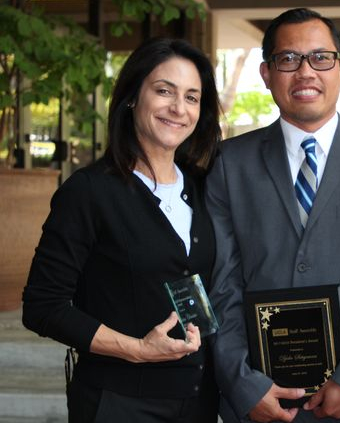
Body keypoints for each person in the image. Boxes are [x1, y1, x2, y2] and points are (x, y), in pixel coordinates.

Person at [206, 7, 340, 423]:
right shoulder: (230, 163)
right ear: (266, 73)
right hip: (257, 399)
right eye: (288, 59)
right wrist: (243, 384)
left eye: (320, 58)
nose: (305, 72)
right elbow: (221, 284)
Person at [22, 37, 221, 422]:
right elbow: (43, 306)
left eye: (192, 97)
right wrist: (136, 348)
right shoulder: (89, 191)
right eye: (164, 91)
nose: (179, 108)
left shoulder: (204, 186)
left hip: (199, 401)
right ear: (132, 96)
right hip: (119, 403)